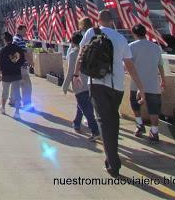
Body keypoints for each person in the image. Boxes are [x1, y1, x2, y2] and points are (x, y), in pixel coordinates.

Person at [74, 9, 145, 178]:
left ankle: (113, 162)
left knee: (103, 122)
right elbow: (129, 65)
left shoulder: (91, 32)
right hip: (117, 85)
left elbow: (81, 54)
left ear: (97, 20)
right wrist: (141, 87)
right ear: (112, 21)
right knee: (113, 119)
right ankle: (113, 155)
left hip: (96, 83)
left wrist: (76, 74)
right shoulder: (120, 39)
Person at [128, 24, 166, 142]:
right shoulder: (155, 47)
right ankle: (154, 131)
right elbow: (160, 65)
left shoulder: (131, 47)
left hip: (137, 82)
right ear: (145, 33)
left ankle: (139, 125)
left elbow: (128, 65)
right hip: (153, 82)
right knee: (154, 108)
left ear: (134, 34)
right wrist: (163, 80)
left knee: (135, 104)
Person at [63, 30, 100, 141]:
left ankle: (95, 130)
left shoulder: (74, 54)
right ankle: (77, 123)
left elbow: (70, 72)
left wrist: (65, 86)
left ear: (73, 42)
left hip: (79, 84)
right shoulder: (89, 52)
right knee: (83, 105)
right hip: (91, 83)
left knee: (86, 109)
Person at [0, 31, 25, 119]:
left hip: (6, 75)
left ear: (5, 40)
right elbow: (22, 61)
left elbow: (0, 64)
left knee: (5, 92)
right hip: (16, 74)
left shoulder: (3, 50)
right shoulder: (18, 49)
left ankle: (2, 108)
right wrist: (16, 66)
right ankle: (17, 112)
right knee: (17, 94)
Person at [12, 24, 33, 110]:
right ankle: (27, 104)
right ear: (19, 30)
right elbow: (23, 53)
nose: (25, 33)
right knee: (27, 85)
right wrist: (30, 61)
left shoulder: (15, 39)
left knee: (16, 84)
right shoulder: (19, 40)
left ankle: (12, 100)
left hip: (16, 65)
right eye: (24, 31)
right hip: (21, 66)